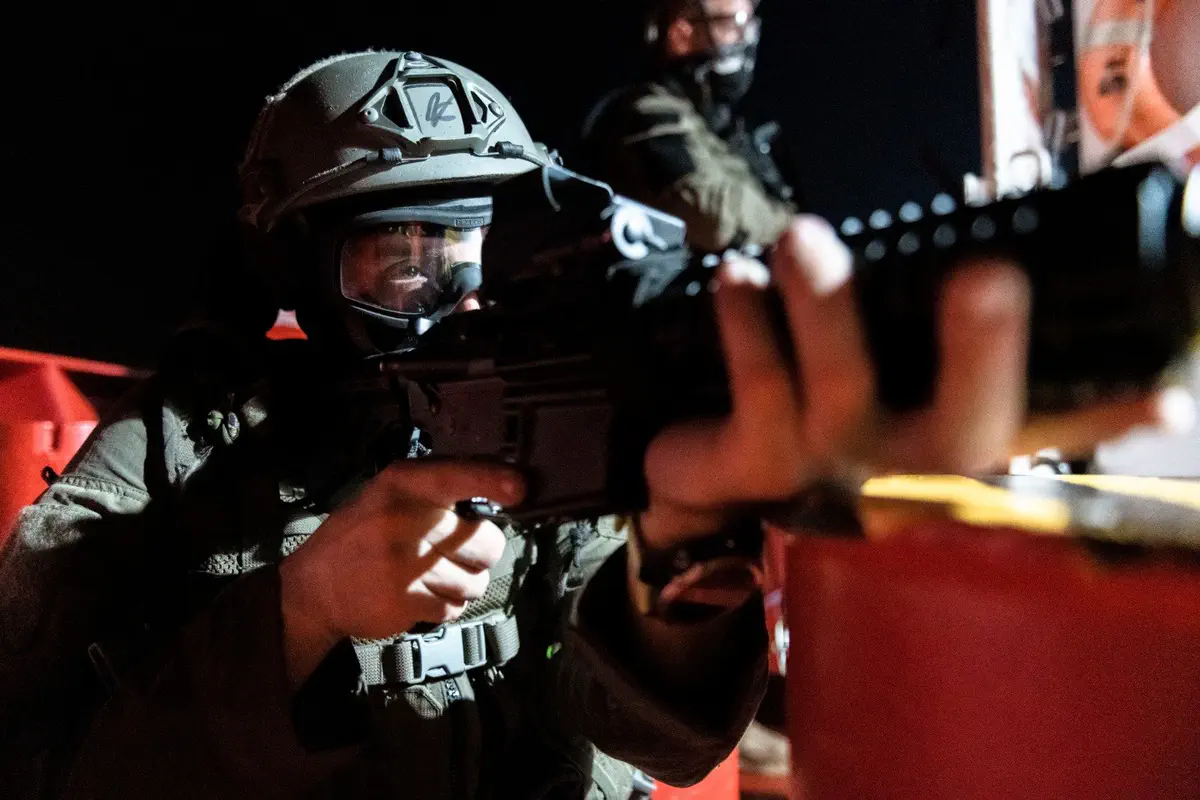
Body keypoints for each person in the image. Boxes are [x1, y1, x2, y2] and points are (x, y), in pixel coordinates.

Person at [0, 49, 1185, 800]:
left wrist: (683, 555)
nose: (451, 298)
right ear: (298, 269)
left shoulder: (536, 420)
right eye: (400, 258)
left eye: (474, 253)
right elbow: (44, 760)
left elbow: (657, 739)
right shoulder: (171, 454)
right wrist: (298, 611)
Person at [578, 0, 800, 256]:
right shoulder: (646, 114)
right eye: (734, 25)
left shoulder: (724, 128)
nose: (746, 38)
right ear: (682, 34)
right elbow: (713, 218)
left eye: (750, 25)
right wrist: (796, 230)